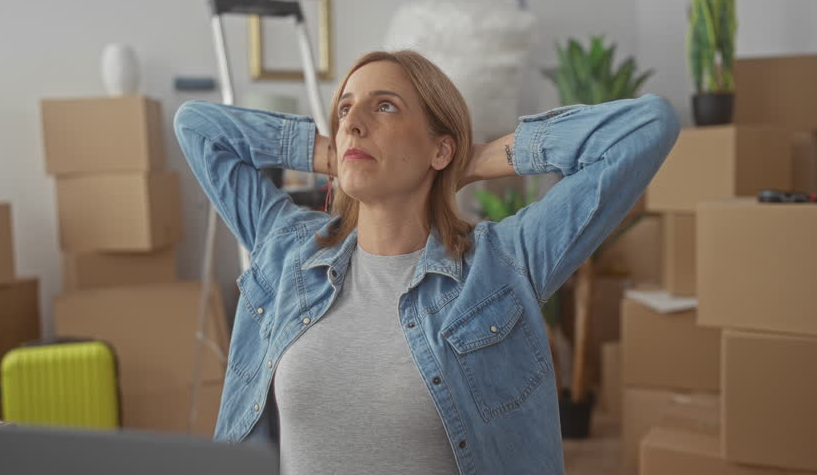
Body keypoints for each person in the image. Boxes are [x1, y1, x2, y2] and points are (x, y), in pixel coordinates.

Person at [174, 49, 680, 475]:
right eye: (345, 110)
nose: (352, 122)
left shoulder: (502, 266)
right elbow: (196, 127)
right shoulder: (288, 249)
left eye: (385, 106)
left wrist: (478, 159)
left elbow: (648, 126)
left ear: (440, 149)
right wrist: (333, 153)